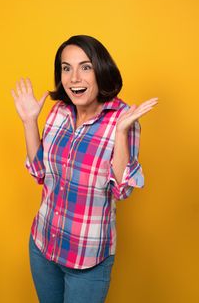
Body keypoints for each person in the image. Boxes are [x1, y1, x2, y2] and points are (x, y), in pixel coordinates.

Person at [11, 35, 158, 303]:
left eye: (85, 67)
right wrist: (30, 121)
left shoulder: (125, 119)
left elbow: (122, 190)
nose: (74, 77)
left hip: (87, 259)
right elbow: (41, 173)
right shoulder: (58, 112)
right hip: (43, 245)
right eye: (66, 68)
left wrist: (121, 133)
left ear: (101, 69)